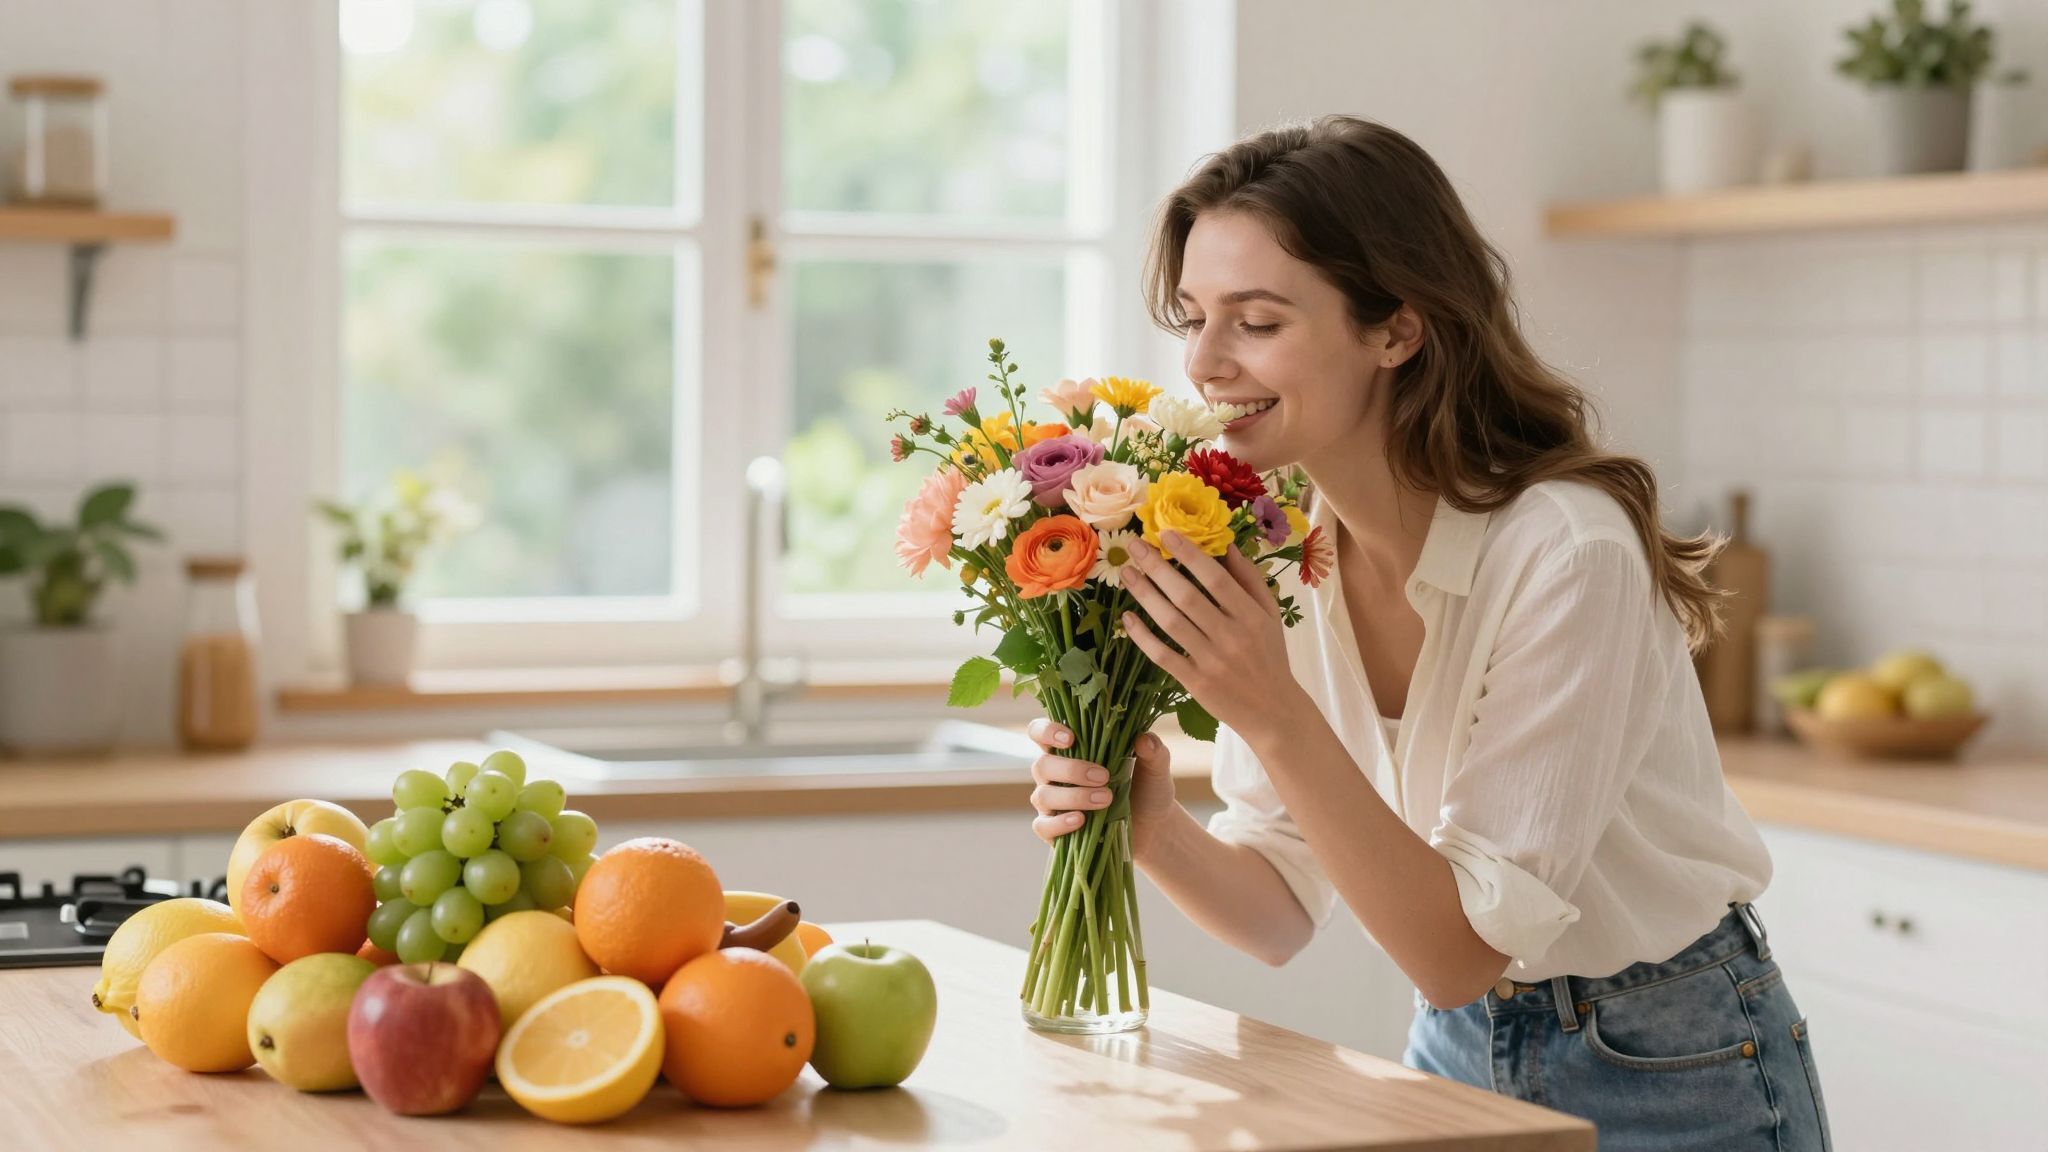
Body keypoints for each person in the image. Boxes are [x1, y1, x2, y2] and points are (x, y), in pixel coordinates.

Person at [1024, 115, 1830, 1152]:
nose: (1205, 363)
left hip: (1670, 1062)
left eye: (1256, 321)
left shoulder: (1563, 551)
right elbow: (1279, 911)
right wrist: (1154, 832)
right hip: (1455, 1046)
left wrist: (1270, 709)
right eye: (1191, 317)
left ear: (1395, 330)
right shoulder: (1281, 548)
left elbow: (1455, 950)